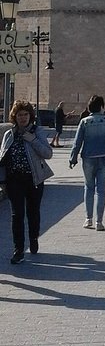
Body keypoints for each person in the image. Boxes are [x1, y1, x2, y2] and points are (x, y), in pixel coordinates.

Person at [0, 101, 54, 264]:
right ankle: (18, 250)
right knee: (17, 215)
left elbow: (48, 153)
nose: (23, 118)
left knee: (33, 212)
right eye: (19, 115)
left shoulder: (37, 131)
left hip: (34, 179)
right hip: (14, 179)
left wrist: (32, 140)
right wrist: (2, 181)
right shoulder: (9, 134)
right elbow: (2, 159)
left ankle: (33, 238)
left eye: (25, 114)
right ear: (14, 117)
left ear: (30, 116)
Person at [69, 95, 105, 231]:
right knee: (102, 190)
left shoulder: (85, 122)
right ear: (102, 106)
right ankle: (99, 221)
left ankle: (88, 219)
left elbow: (77, 142)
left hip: (89, 158)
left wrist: (73, 158)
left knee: (89, 187)